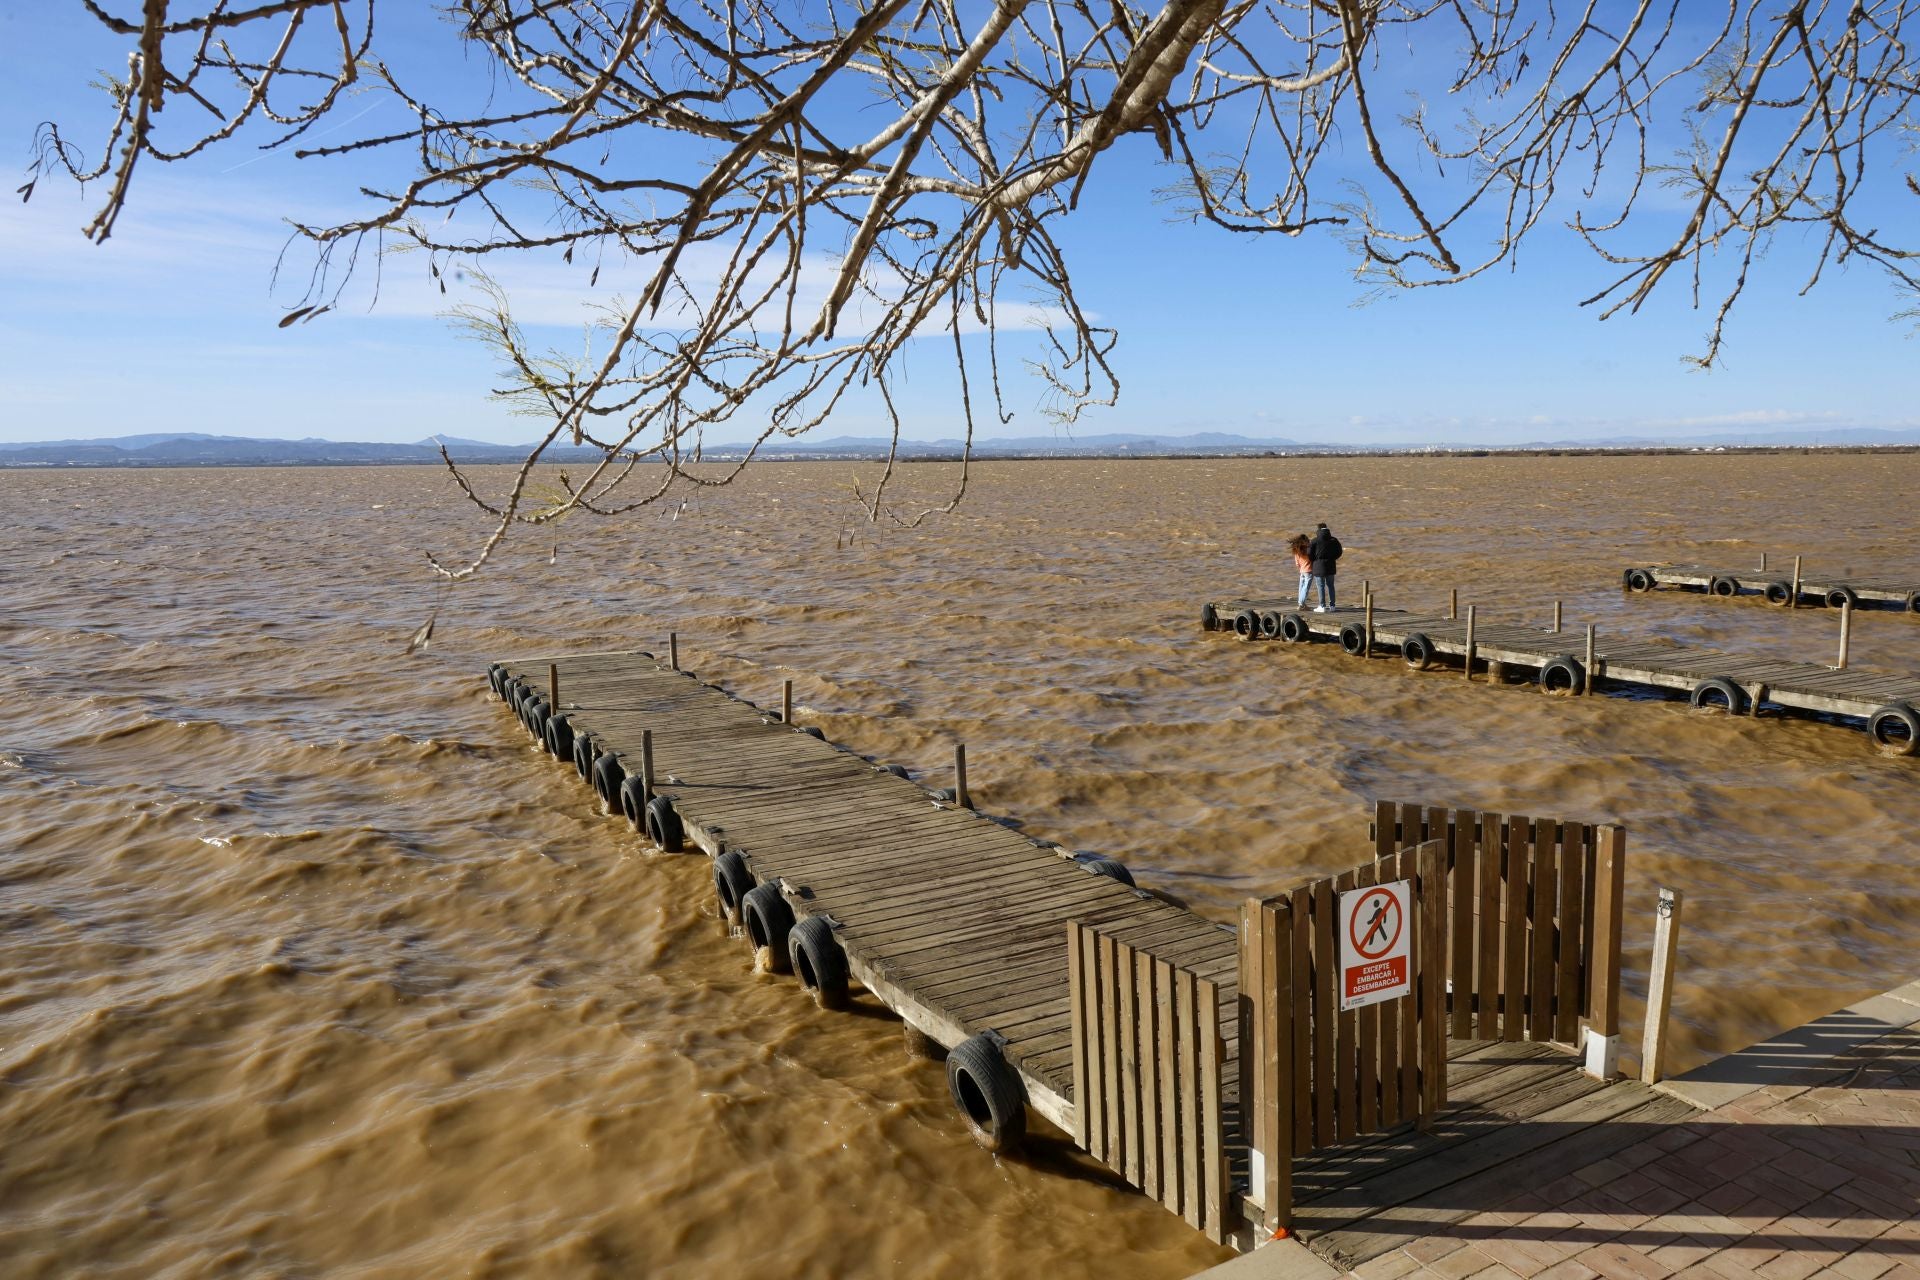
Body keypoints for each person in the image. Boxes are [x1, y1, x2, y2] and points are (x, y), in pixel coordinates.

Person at [1308, 522, 1343, 611]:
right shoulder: (1334, 540)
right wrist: (1333, 558)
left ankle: (1322, 606)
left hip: (1318, 566)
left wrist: (1315, 560)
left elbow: (1309, 554)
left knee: (1321, 586)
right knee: (1331, 586)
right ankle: (1332, 606)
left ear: (1318, 530)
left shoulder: (1314, 541)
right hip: (1331, 565)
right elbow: (1339, 552)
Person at [1289, 533, 1313, 608]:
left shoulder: (1297, 550)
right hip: (1308, 571)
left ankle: (1301, 603)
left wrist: (1300, 569)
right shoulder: (1308, 549)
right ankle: (1301, 603)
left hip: (1302, 570)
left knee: (1301, 587)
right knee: (1306, 588)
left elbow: (1297, 563)